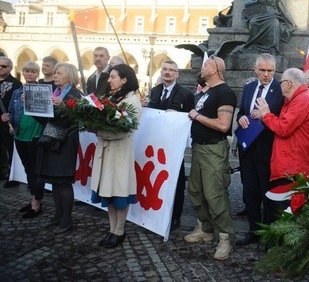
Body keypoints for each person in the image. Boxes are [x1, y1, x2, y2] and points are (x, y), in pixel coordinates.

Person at [184, 56, 237, 261]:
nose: (202, 66)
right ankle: (205, 229)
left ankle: (225, 238)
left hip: (214, 150)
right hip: (198, 148)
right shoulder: (207, 92)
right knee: (195, 190)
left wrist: (197, 116)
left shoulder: (225, 92)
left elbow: (223, 125)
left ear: (215, 68)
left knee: (215, 195)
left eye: (206, 64)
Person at [256, 68, 309, 223]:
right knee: (281, 209)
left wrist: (266, 114)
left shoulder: (302, 100)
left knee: (287, 213)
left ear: (289, 84)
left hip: (293, 168)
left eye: (281, 82)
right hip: (289, 166)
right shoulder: (296, 99)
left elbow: (283, 128)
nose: (279, 86)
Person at [91, 64, 142, 248]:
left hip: (119, 152)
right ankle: (111, 229)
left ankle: (120, 230)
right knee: (108, 192)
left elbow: (124, 131)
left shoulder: (132, 101)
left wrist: (98, 130)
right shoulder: (112, 98)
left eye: (113, 77)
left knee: (119, 193)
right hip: (106, 152)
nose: (109, 80)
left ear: (124, 79)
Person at [235, 53, 283, 246]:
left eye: (270, 70)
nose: (266, 74)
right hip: (247, 149)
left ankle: (268, 234)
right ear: (255, 69)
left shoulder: (281, 90)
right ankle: (253, 231)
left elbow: (282, 119)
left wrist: (266, 115)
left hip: (268, 149)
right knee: (250, 192)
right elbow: (241, 111)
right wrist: (241, 118)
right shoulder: (248, 88)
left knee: (268, 194)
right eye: (262, 70)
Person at [146, 60, 194, 230]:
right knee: (155, 176)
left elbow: (190, 117)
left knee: (177, 180)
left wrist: (178, 116)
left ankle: (175, 216)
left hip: (174, 145)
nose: (167, 72)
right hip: (156, 144)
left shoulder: (186, 94)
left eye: (171, 70)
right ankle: (155, 210)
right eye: (164, 69)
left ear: (177, 74)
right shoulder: (155, 91)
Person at [37, 63, 82, 233]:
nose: (54, 76)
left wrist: (62, 106)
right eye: (54, 73)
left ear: (69, 76)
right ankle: (58, 215)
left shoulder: (75, 94)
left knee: (63, 182)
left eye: (59, 73)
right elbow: (45, 120)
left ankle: (67, 219)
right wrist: (33, 106)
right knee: (54, 182)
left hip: (65, 142)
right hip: (51, 139)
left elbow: (75, 118)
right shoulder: (54, 92)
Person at [2, 62, 45, 218]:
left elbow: (45, 111)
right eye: (27, 71)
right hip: (20, 135)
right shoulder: (17, 92)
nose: (29, 74)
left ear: (37, 74)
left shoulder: (42, 90)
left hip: (35, 135)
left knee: (35, 171)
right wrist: (8, 118)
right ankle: (33, 199)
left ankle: (37, 204)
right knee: (28, 169)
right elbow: (13, 113)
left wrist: (31, 97)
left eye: (33, 71)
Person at [0, 56, 23, 188]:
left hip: (8, 121)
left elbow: (18, 104)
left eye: (3, 66)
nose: (0, 68)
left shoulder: (16, 83)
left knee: (10, 148)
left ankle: (13, 176)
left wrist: (11, 117)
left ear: (10, 68)